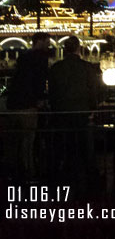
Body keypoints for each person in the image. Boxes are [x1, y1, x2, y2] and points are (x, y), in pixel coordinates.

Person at [48, 36, 99, 190]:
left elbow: (53, 92)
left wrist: (55, 108)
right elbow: (93, 90)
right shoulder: (87, 67)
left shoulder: (56, 68)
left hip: (62, 111)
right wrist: (93, 108)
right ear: (78, 48)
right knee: (85, 144)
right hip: (82, 111)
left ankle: (64, 174)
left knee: (65, 144)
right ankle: (89, 176)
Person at [5, 32, 51, 182]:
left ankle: (12, 171)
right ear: (40, 42)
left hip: (13, 103)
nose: (49, 45)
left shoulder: (23, 57)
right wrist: (41, 99)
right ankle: (29, 172)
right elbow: (39, 80)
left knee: (14, 140)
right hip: (28, 104)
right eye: (47, 42)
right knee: (28, 141)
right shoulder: (41, 58)